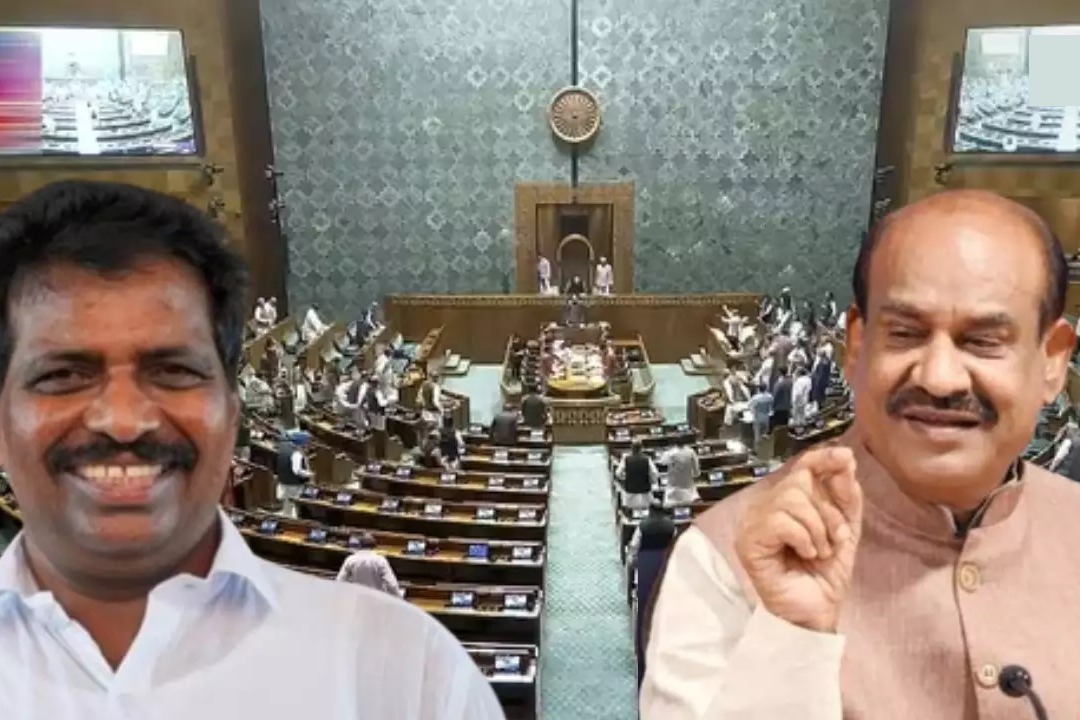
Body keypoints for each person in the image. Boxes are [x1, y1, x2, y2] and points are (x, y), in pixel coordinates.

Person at [0, 180, 502, 719]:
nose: (123, 421)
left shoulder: (412, 671)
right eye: (64, 375)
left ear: (232, 413)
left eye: (173, 370)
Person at [640, 190, 1078, 717]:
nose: (939, 378)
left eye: (983, 341)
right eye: (905, 334)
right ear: (855, 346)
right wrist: (792, 638)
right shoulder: (720, 562)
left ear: (1053, 361)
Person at [336, 531, 404, 597]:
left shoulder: (350, 560)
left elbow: (339, 582)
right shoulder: (380, 560)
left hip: (358, 597)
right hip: (376, 598)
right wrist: (399, 598)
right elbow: (392, 585)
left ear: (359, 545)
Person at [616, 440, 659, 511]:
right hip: (645, 493)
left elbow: (618, 473)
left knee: (629, 509)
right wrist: (652, 481)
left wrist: (625, 479)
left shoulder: (626, 459)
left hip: (630, 492)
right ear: (641, 448)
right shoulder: (647, 459)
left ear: (631, 449)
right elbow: (655, 473)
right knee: (647, 509)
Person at [277, 430, 314, 511]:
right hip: (294, 486)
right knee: (296, 508)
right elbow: (297, 471)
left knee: (287, 508)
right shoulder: (296, 454)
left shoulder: (283, 448)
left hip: (283, 482)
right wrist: (309, 474)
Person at [659, 441, 700, 507]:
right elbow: (696, 469)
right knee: (690, 504)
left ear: (675, 443)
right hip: (688, 485)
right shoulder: (691, 452)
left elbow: (662, 462)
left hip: (673, 485)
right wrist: (695, 474)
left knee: (668, 505)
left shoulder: (670, 453)